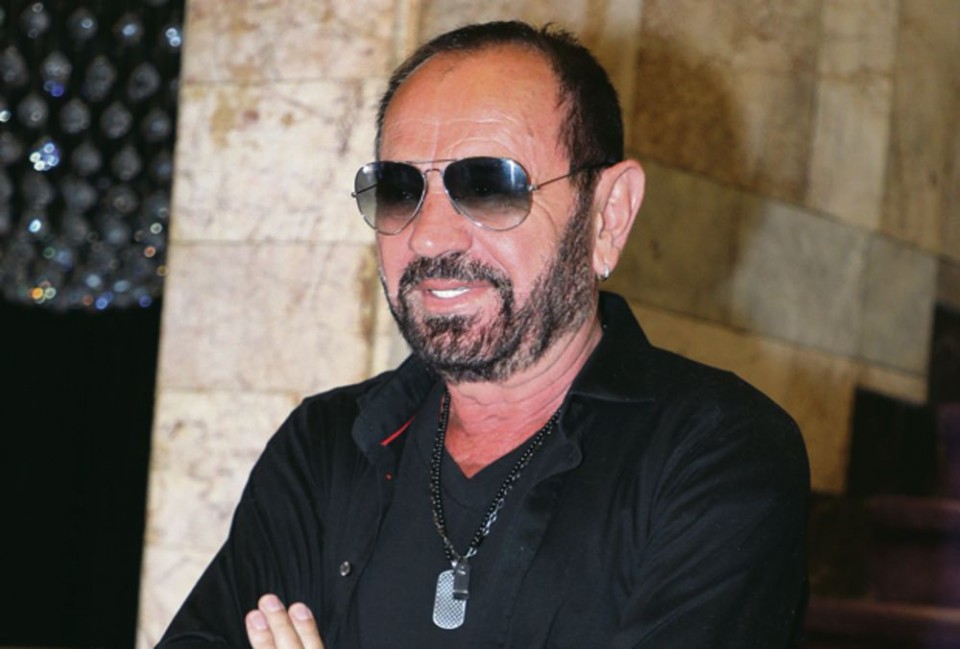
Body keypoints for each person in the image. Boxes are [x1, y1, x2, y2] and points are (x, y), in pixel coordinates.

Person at [157, 20, 809, 649]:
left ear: (608, 215)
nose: (429, 236)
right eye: (398, 189)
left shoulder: (718, 451)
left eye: (490, 186)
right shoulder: (325, 446)